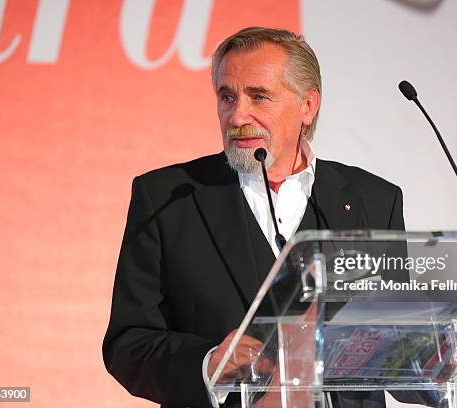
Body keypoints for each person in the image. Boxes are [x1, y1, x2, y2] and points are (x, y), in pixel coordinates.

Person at [103, 27, 405, 408]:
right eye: (226, 97)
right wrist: (208, 363)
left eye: (258, 96)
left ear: (307, 106)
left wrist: (433, 357)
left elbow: (397, 344)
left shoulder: (374, 200)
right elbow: (129, 342)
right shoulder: (167, 198)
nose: (237, 115)